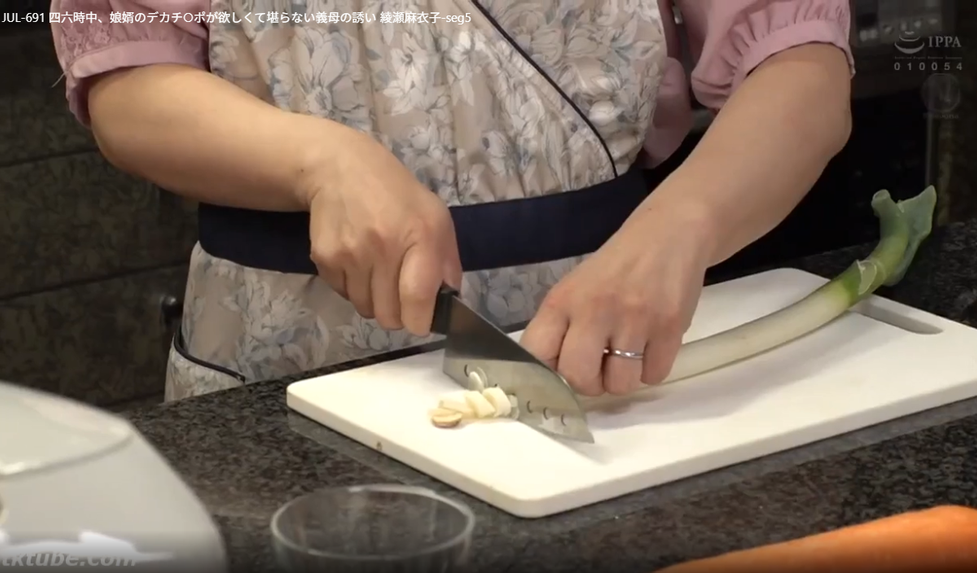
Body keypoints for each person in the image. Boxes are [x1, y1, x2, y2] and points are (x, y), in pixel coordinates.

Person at [51, 0, 854, 402]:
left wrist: (683, 224)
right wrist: (319, 160)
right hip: (278, 366)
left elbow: (801, 63)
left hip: (606, 356)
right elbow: (128, 81)